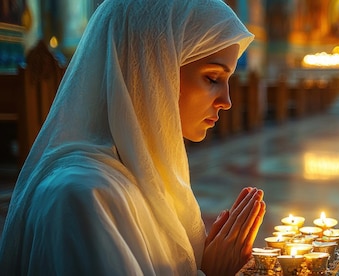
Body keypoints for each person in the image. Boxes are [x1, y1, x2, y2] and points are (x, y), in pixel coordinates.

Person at [0, 0, 265, 275]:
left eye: (228, 80)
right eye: (212, 78)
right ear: (151, 69)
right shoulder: (83, 197)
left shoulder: (146, 174)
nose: (227, 101)